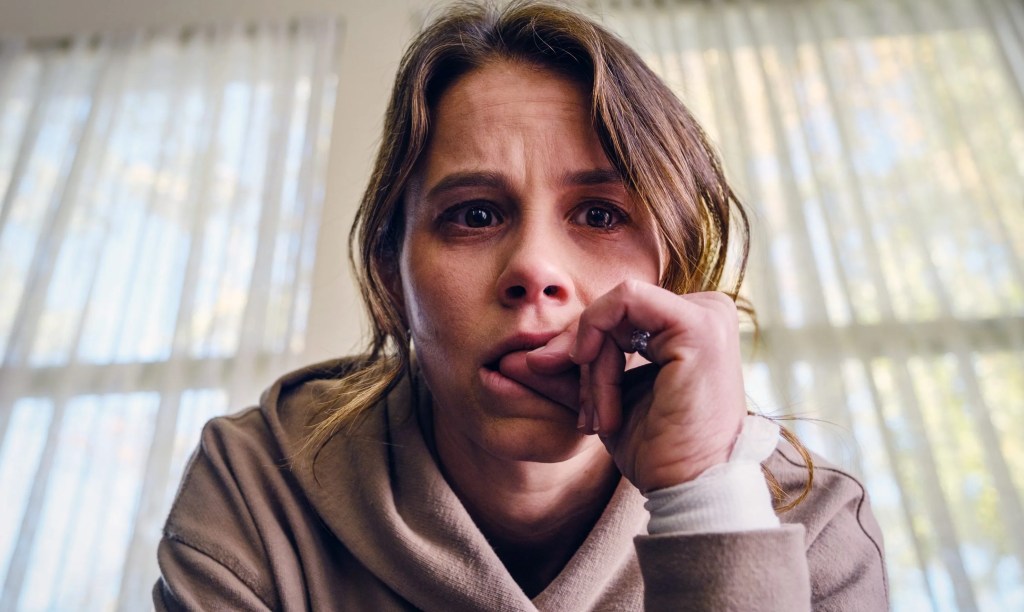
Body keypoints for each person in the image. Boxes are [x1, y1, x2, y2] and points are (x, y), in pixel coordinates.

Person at [154, 1, 888, 609]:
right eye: (475, 215)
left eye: (600, 216)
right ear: (390, 274)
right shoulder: (256, 488)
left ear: (675, 273)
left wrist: (707, 503)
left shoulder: (809, 525)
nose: (535, 269)